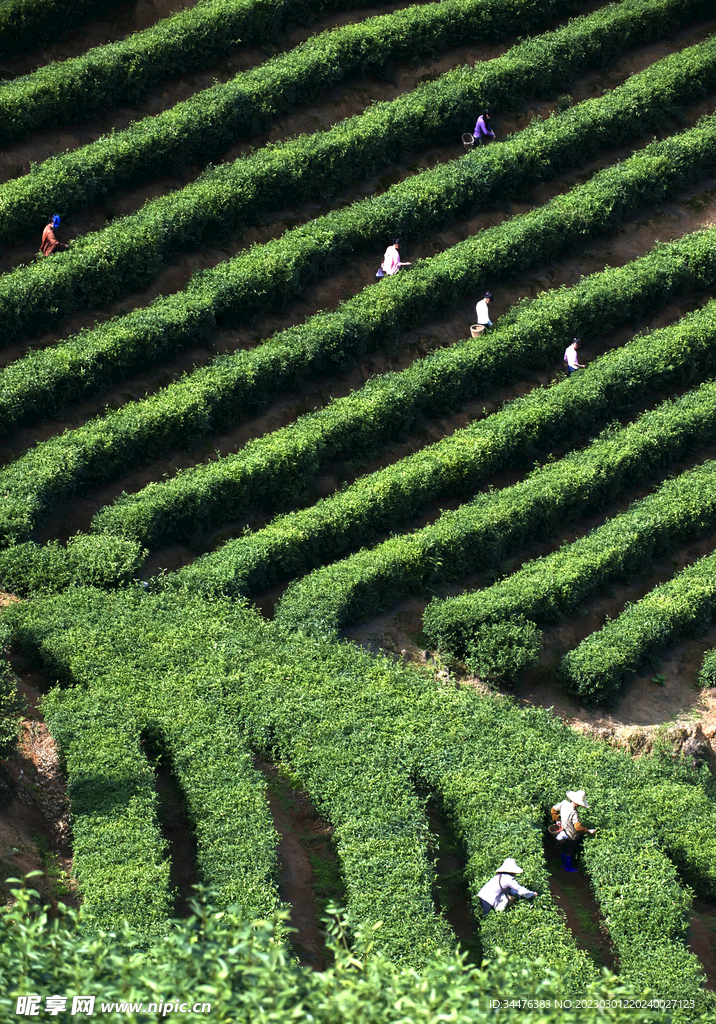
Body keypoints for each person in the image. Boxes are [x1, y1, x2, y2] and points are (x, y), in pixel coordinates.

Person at [551, 790, 596, 872]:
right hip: (571, 836)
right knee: (569, 851)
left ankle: (563, 865)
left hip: (563, 832)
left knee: (563, 848)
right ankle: (568, 867)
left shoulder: (563, 803)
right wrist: (588, 831)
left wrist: (556, 820)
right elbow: (577, 827)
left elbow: (553, 809)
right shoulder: (574, 812)